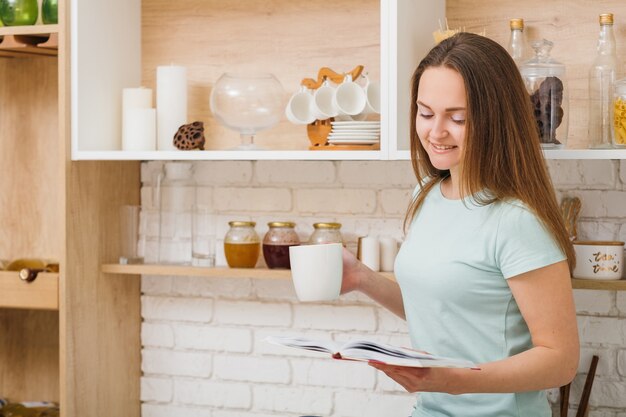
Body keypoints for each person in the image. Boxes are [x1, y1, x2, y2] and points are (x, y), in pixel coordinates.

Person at [341, 32, 579, 417]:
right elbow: (444, 309)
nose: (436, 132)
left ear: (495, 120)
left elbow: (560, 360)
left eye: (458, 118)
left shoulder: (516, 221)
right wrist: (361, 278)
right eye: (425, 112)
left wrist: (452, 380)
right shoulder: (427, 195)